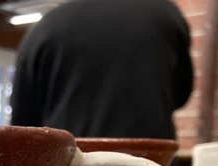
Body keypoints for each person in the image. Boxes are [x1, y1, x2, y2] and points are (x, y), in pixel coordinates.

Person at [10, 0, 193, 140]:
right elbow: (180, 94)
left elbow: (23, 122)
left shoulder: (45, 27)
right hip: (152, 163)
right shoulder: (164, 14)